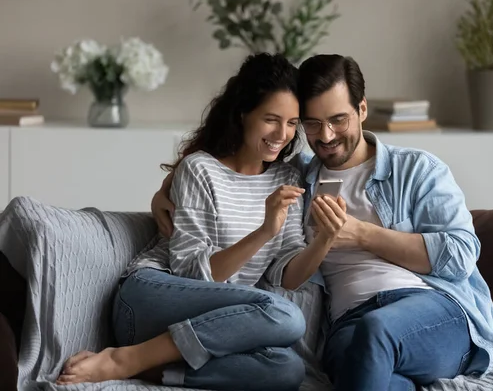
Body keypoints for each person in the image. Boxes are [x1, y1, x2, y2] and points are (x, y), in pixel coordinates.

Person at [151, 54, 493, 391]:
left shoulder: (416, 169)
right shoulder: (297, 179)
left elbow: (461, 255)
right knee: (367, 369)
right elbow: (233, 173)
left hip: (429, 310)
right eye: (312, 124)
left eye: (338, 119)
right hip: (346, 324)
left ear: (362, 109)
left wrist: (363, 235)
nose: (326, 136)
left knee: (376, 331)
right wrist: (167, 189)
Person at [55, 53, 348, 391]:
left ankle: (152, 368)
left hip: (210, 327)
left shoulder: (288, 177)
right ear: (243, 114)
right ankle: (125, 359)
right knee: (285, 315)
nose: (282, 133)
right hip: (150, 301)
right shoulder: (200, 170)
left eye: (292, 122)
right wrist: (265, 231)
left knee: (287, 369)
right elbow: (191, 274)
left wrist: (325, 239)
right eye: (271, 119)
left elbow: (289, 277)